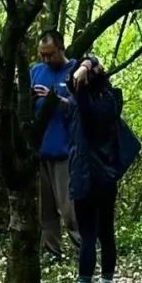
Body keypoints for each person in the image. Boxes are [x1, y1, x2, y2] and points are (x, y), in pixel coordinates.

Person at [67, 56, 128, 283]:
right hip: (107, 177)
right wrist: (92, 64)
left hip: (85, 175)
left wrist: (85, 64)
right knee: (106, 232)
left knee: (89, 234)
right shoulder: (111, 100)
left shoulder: (84, 101)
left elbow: (72, 78)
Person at [30, 30, 80, 261]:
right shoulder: (36, 72)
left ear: (61, 49)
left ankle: (84, 247)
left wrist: (56, 99)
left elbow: (81, 108)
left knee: (70, 209)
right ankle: (52, 252)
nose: (46, 59)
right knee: (45, 210)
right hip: (41, 150)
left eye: (50, 54)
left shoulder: (75, 71)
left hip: (66, 150)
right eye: (42, 55)